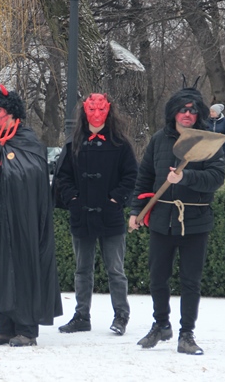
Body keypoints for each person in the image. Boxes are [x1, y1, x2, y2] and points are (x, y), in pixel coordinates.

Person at [128, 81, 225, 355]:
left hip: (196, 220)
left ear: (199, 114)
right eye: (182, 110)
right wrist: (136, 211)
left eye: (193, 110)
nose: (187, 115)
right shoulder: (159, 140)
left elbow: (216, 178)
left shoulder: (208, 141)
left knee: (190, 281)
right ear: (173, 112)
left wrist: (186, 177)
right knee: (158, 277)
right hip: (162, 219)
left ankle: (186, 334)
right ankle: (161, 325)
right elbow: (144, 177)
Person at [0, 85, 62, 347]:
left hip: (22, 223)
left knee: (22, 272)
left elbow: (32, 175)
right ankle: (5, 328)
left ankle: (26, 329)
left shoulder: (28, 142)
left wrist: (4, 172)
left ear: (12, 114)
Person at [55, 93, 137, 336]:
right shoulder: (73, 144)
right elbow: (62, 177)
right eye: (92, 109)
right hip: (82, 215)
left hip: (111, 216)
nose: (97, 114)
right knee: (82, 270)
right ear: (85, 111)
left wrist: (115, 200)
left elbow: (131, 176)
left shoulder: (121, 144)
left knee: (116, 270)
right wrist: (73, 200)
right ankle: (82, 316)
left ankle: (121, 315)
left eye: (101, 109)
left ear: (108, 110)